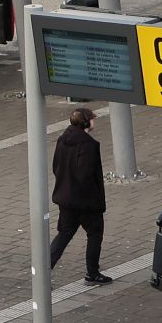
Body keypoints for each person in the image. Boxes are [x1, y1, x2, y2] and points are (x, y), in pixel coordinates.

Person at [49, 108, 112, 285]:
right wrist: (95, 200)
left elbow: (56, 167)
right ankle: (92, 273)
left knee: (64, 234)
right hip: (85, 202)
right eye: (92, 119)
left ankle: (44, 272)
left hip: (65, 198)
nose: (94, 122)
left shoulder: (62, 140)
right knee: (95, 234)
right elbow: (86, 175)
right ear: (86, 122)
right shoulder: (88, 145)